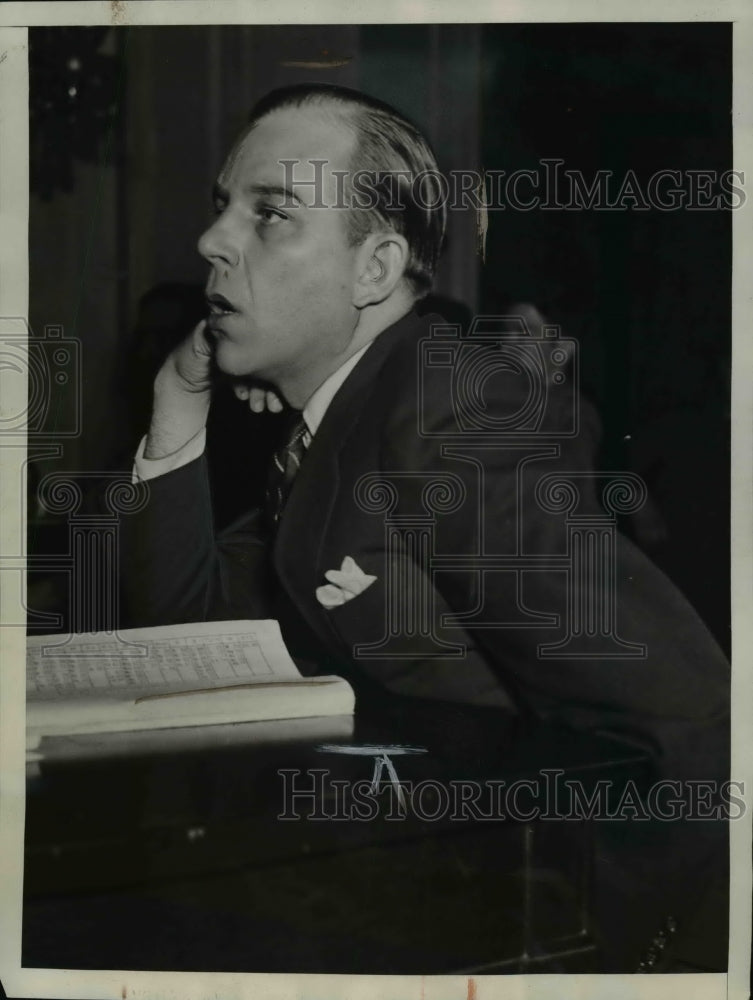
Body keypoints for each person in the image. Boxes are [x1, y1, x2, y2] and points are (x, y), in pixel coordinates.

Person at [118, 84, 729, 969]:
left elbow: (685, 721)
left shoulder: (442, 410)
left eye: (272, 214)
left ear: (373, 269)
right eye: (222, 209)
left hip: (499, 920)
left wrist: (619, 968)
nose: (212, 241)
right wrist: (176, 401)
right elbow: (187, 640)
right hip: (396, 881)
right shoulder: (338, 424)